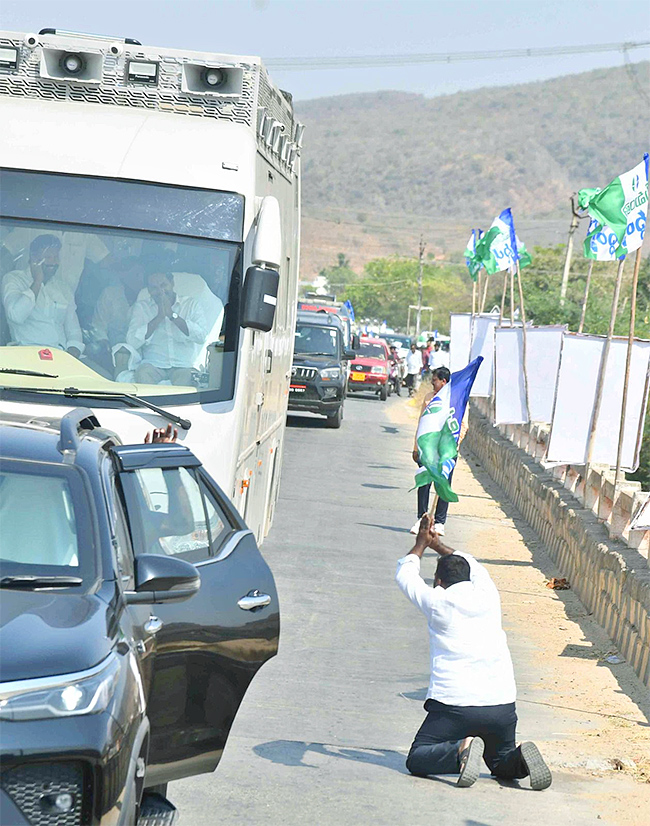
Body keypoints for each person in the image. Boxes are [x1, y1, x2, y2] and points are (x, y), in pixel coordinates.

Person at [396, 514, 552, 790]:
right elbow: (474, 564)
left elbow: (405, 574)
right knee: (500, 762)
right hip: (501, 705)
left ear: (439, 581)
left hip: (454, 706)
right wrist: (437, 545)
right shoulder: (488, 594)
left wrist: (420, 544)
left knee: (418, 757)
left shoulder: (437, 601)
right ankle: (520, 758)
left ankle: (460, 750)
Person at [125, 261, 210, 386]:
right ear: (148, 290)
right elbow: (131, 341)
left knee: (187, 379)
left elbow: (201, 336)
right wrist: (158, 318)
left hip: (183, 366)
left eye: (163, 285)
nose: (160, 291)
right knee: (142, 374)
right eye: (154, 288)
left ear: (172, 283)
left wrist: (172, 316)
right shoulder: (142, 308)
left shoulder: (191, 304)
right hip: (153, 364)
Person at [1, 234, 84, 357]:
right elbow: (16, 315)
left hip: (63, 357)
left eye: (56, 257)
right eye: (48, 257)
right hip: (25, 355)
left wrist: (72, 354)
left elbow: (73, 331)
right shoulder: (13, 279)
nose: (54, 262)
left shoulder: (63, 288)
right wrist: (37, 281)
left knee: (101, 375)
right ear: (34, 258)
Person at [410, 366, 467, 536]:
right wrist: (415, 448)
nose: (432, 383)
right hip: (428, 449)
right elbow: (422, 423)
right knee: (424, 483)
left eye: (434, 380)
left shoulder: (458, 400)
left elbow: (463, 426)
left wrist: (451, 444)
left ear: (444, 381)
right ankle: (422, 518)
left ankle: (440, 522)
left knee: (443, 484)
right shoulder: (429, 398)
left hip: (446, 451)